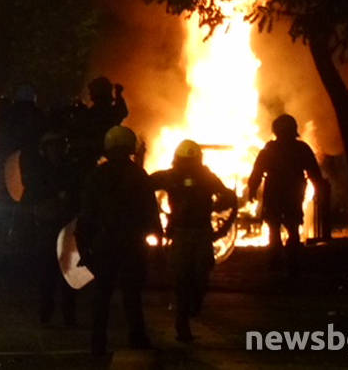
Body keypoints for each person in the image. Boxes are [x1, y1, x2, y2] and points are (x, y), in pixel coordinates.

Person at [75, 126, 161, 355]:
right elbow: (152, 212)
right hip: (131, 243)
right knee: (131, 295)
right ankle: (137, 337)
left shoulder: (97, 175)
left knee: (102, 295)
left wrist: (84, 248)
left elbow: (87, 214)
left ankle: (98, 342)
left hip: (107, 243)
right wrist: (157, 244)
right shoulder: (138, 175)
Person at [151, 139, 237, 342]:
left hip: (196, 233)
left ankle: (192, 308)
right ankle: (183, 324)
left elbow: (228, 198)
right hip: (187, 234)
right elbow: (145, 184)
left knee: (197, 276)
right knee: (184, 279)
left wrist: (221, 212)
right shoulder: (179, 176)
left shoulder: (201, 177)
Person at [247, 114, 325, 272]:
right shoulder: (301, 148)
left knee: (274, 229)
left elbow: (257, 172)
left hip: (275, 191)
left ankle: (276, 263)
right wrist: (319, 187)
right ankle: (293, 263)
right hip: (293, 190)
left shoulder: (269, 150)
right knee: (293, 227)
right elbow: (313, 172)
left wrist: (252, 189)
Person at [20, 131, 78, 326]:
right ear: (44, 150)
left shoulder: (71, 173)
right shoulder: (38, 176)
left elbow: (79, 201)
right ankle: (46, 314)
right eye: (51, 147)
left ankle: (69, 316)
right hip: (46, 231)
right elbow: (28, 203)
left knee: (68, 275)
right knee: (47, 276)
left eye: (58, 147)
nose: (55, 151)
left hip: (67, 230)